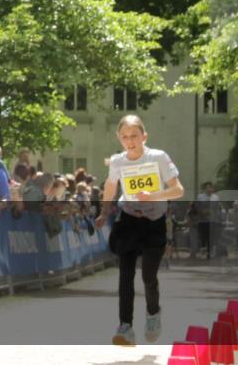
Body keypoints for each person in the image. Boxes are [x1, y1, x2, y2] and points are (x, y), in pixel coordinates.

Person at [96, 114, 184, 347]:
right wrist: (104, 212)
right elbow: (110, 185)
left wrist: (155, 195)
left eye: (134, 136)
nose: (130, 141)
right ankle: (125, 327)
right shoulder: (117, 161)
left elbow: (178, 190)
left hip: (154, 221)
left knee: (148, 276)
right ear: (119, 138)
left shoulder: (158, 157)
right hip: (129, 220)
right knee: (125, 276)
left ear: (144, 136)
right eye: (124, 137)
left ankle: (153, 313)